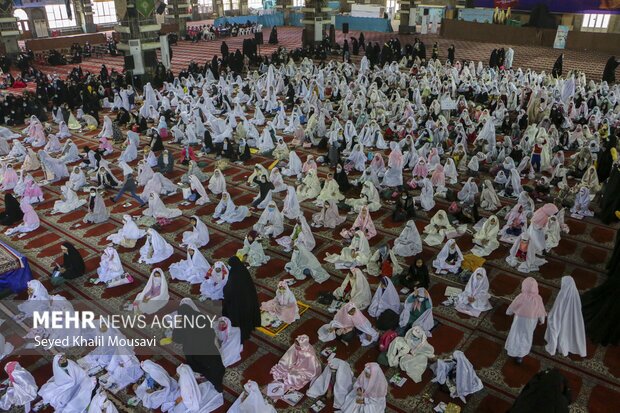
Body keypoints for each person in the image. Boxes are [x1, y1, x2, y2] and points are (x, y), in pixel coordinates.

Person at [172, 303, 226, 395]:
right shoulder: (200, 316)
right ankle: (218, 383)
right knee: (215, 364)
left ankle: (214, 382)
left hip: (196, 352)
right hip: (209, 347)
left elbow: (176, 338)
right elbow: (211, 332)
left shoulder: (182, 323)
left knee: (205, 368)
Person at [505, 277, 546, 364]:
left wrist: (509, 312)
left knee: (516, 334)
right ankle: (521, 355)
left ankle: (512, 350)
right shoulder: (538, 298)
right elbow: (541, 310)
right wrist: (542, 320)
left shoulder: (521, 296)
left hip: (519, 319)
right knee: (526, 336)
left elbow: (513, 305)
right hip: (531, 321)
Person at [544, 276, 586, 357]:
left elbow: (558, 309)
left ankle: (556, 346)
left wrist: (551, 316)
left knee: (556, 325)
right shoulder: (575, 293)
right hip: (572, 318)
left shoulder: (563, 294)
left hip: (562, 317)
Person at [223, 256, 261, 343]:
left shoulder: (234, 275)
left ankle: (241, 334)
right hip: (248, 301)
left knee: (240, 320)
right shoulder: (243, 271)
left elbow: (229, 291)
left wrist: (225, 289)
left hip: (238, 304)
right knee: (246, 318)